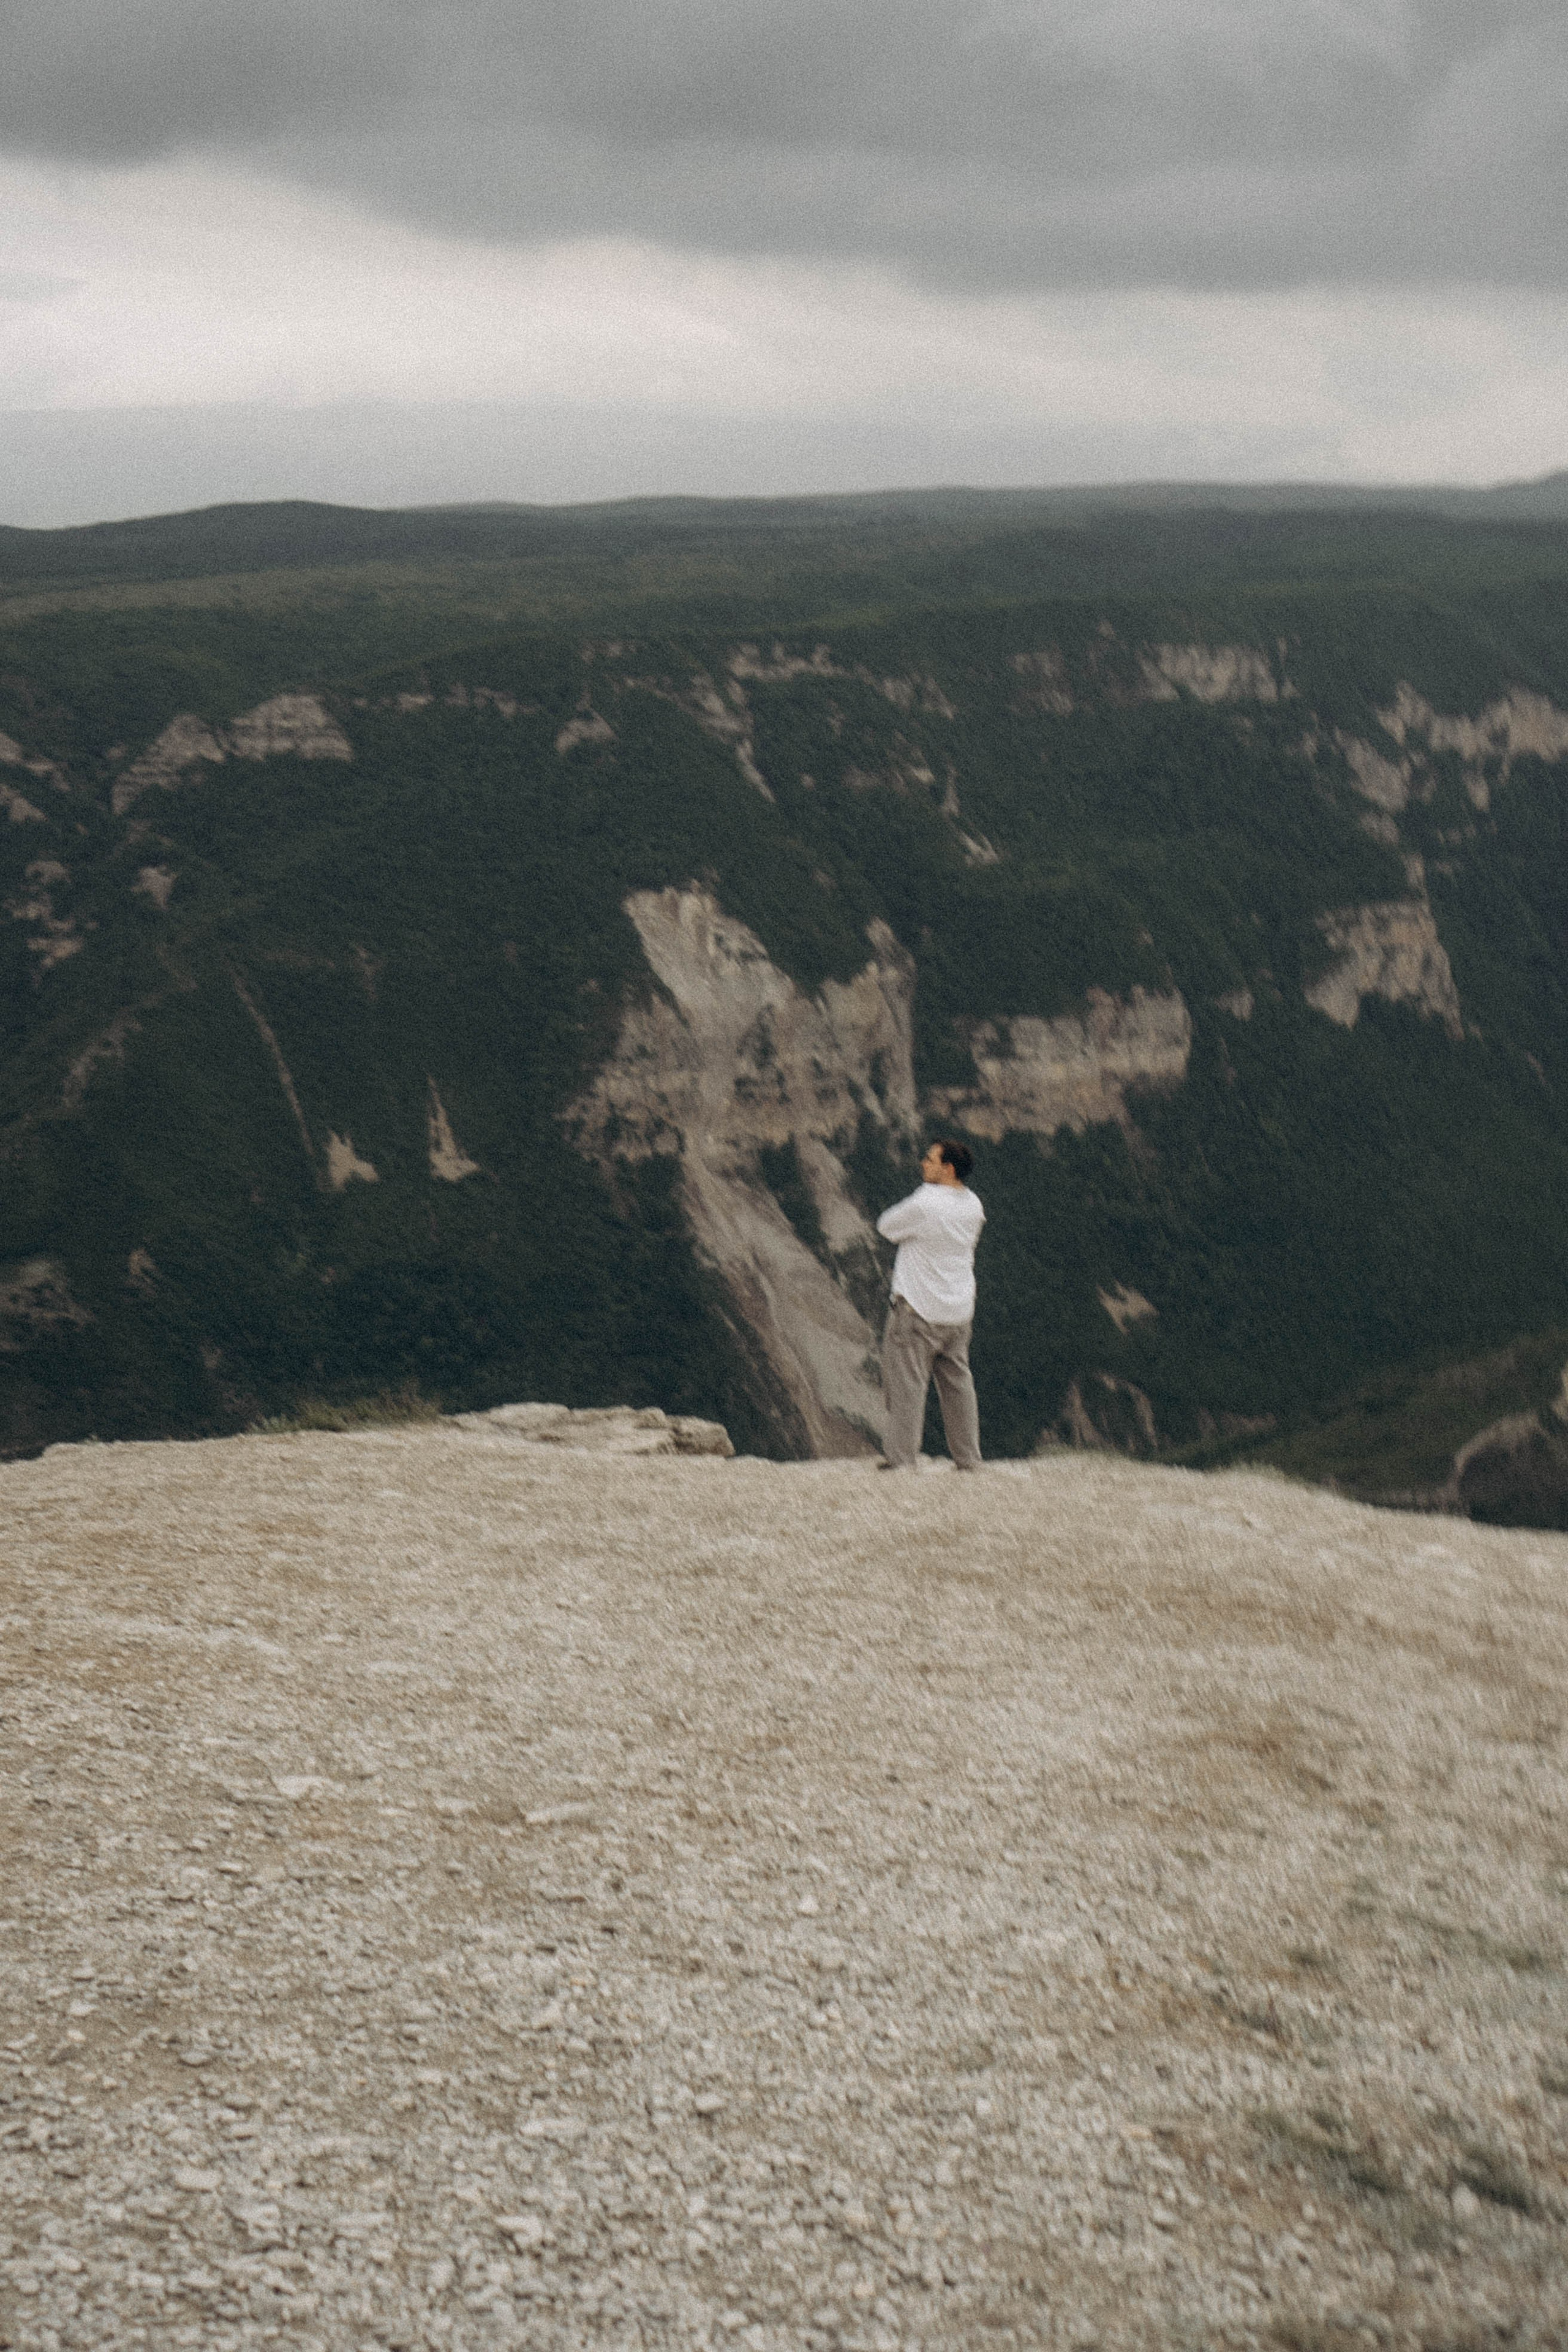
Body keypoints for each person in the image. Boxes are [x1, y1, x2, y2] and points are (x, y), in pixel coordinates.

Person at [875, 1138, 984, 1471]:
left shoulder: (926, 1202)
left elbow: (886, 1226)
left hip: (918, 1310)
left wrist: (922, 1205)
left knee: (908, 1385)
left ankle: (902, 1460)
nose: (923, 1163)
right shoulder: (974, 1205)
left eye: (930, 1159)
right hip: (958, 1311)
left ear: (948, 1169)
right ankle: (968, 1459)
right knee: (958, 1386)